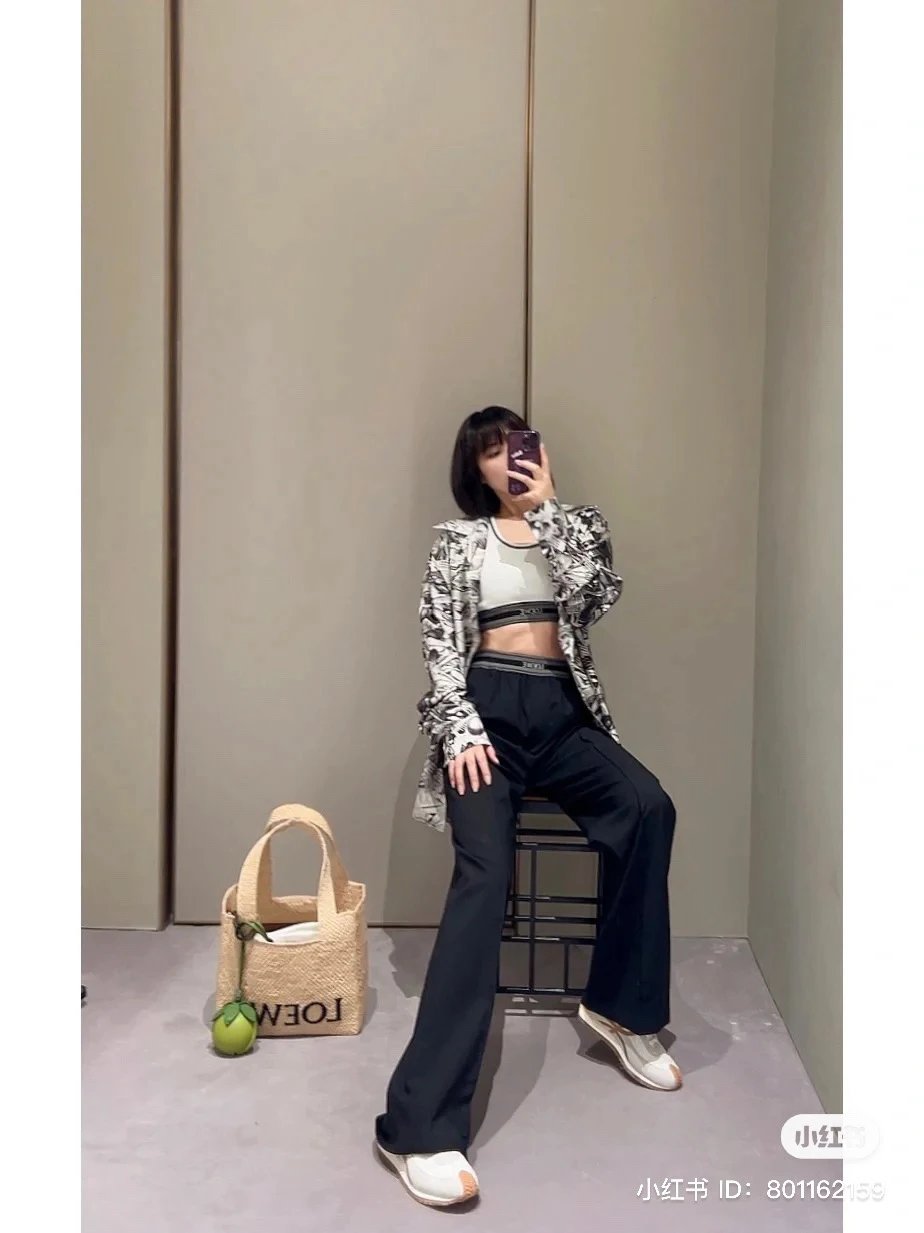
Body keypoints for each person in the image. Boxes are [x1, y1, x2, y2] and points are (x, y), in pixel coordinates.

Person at [374, 406, 680, 1208]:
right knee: (485, 875)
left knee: (648, 807)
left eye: (516, 443)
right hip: (486, 712)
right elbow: (440, 644)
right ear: (472, 469)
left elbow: (596, 596)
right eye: (489, 450)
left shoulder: (577, 524)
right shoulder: (457, 540)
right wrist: (459, 726)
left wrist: (547, 510)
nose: (505, 458)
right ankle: (416, 1126)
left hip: (563, 714)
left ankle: (622, 1008)